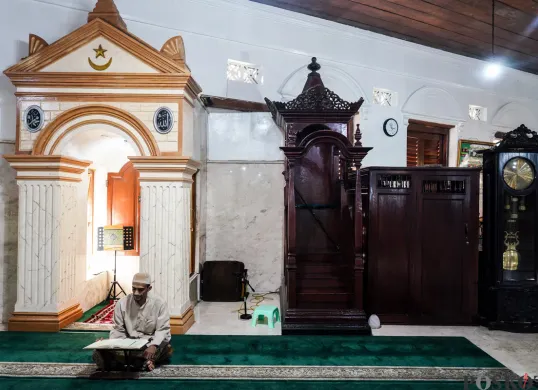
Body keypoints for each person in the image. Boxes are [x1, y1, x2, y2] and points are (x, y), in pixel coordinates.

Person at [92, 272, 172, 371]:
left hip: (149, 343)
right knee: (101, 350)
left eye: (140, 290)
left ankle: (128, 361)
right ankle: (140, 362)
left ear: (149, 289)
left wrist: (153, 345)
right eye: (134, 289)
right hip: (128, 343)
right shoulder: (122, 303)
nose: (136, 293)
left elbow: (162, 330)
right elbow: (118, 329)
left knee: (165, 348)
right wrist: (110, 344)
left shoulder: (160, 304)